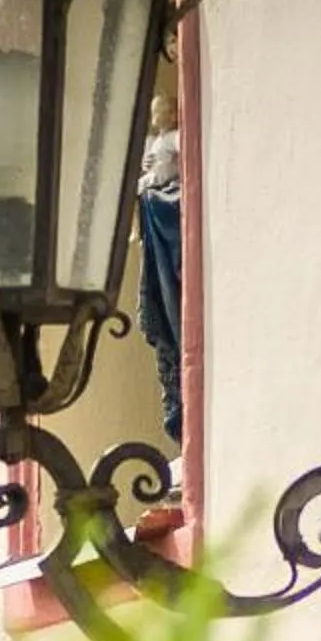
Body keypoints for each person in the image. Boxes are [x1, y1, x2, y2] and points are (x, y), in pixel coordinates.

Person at [134, 78, 185, 445]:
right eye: (154, 114)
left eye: (162, 111)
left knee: (172, 306)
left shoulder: (176, 139)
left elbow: (178, 171)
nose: (159, 118)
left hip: (166, 219)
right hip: (154, 212)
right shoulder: (155, 142)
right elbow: (150, 172)